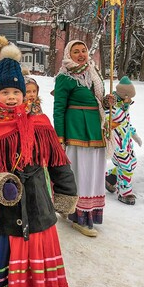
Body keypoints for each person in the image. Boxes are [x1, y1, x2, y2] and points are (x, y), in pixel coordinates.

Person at [0, 45, 78, 287]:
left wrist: (66, 191)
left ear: (24, 94)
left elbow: (57, 161)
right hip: (6, 211)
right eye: (5, 92)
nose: (10, 97)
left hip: (38, 205)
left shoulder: (40, 122)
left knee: (39, 253)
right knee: (10, 255)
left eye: (15, 92)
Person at [53, 40, 114, 237]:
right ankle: (77, 214)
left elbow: (97, 100)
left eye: (83, 51)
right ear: (69, 55)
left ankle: (90, 212)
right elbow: (59, 109)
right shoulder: (65, 77)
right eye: (76, 51)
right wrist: (59, 136)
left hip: (95, 129)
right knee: (79, 172)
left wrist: (107, 101)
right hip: (75, 131)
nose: (81, 54)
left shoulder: (93, 73)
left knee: (94, 173)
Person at [105, 76, 142, 205]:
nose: (131, 100)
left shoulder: (124, 106)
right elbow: (107, 120)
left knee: (133, 162)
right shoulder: (111, 105)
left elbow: (126, 123)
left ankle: (110, 178)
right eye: (130, 97)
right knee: (126, 166)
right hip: (116, 142)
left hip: (126, 142)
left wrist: (134, 135)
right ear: (124, 95)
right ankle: (125, 193)